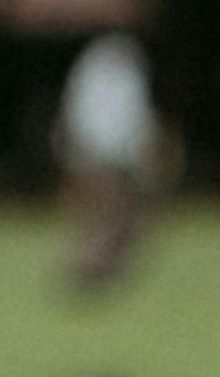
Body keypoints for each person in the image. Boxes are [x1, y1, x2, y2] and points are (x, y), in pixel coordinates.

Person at [56, 28, 160, 293]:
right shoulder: (105, 74)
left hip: (109, 154)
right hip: (106, 154)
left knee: (114, 212)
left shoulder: (106, 74)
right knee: (104, 212)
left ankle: (97, 263)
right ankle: (92, 264)